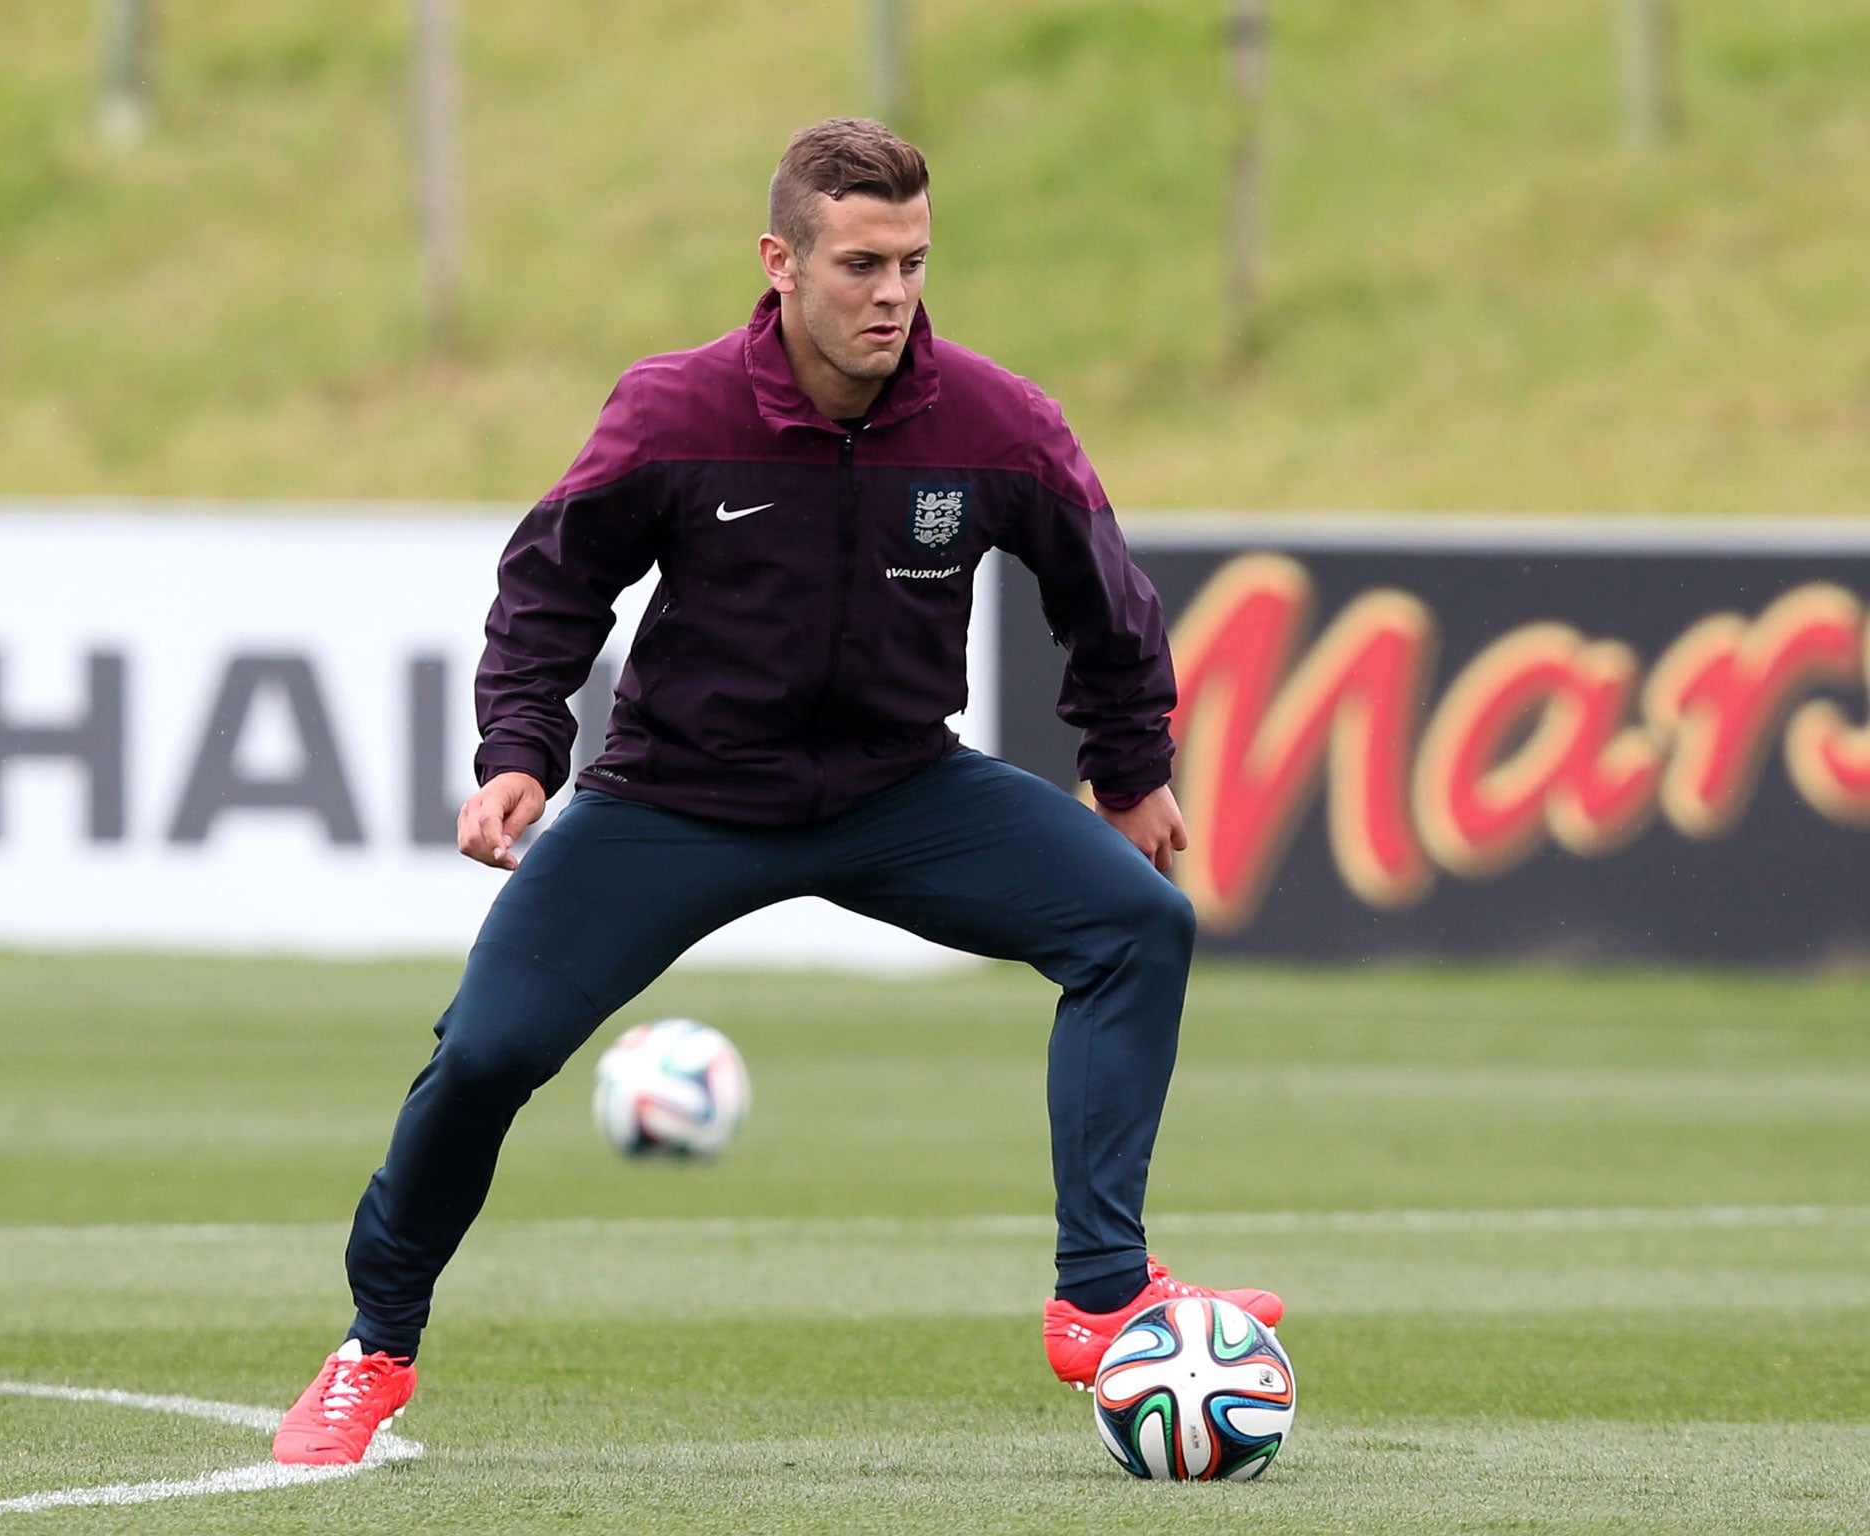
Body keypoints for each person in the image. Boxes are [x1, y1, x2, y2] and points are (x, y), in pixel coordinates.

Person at [272, 118, 1282, 1466]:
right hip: (675, 799)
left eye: (915, 263)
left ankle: (1099, 1302)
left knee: (1135, 924)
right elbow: (552, 584)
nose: (893, 294)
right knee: (488, 1056)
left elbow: (1104, 598)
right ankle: (373, 1349)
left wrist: (1129, 769)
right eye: (863, 263)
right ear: (781, 260)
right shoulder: (676, 411)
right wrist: (519, 750)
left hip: (898, 788)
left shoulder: (993, 422)